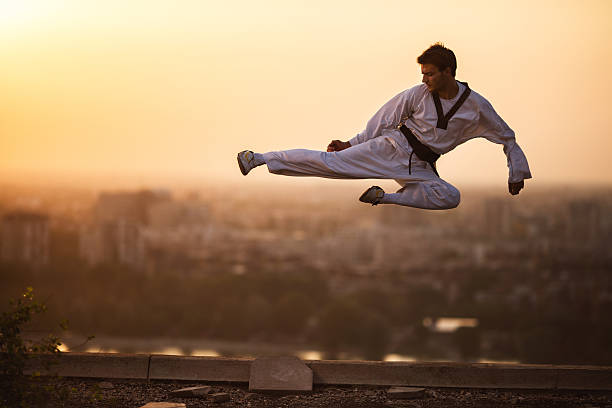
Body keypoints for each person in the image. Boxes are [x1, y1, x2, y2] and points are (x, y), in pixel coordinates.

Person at [237, 43, 532, 210]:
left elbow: (507, 137)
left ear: (448, 72)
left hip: (420, 166)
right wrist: (352, 144)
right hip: (391, 147)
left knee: (450, 197)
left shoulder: (476, 106)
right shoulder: (417, 94)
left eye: (429, 73)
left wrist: (515, 172)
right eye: (423, 73)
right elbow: (384, 119)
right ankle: (260, 158)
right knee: (330, 164)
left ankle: (384, 197)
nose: (424, 79)